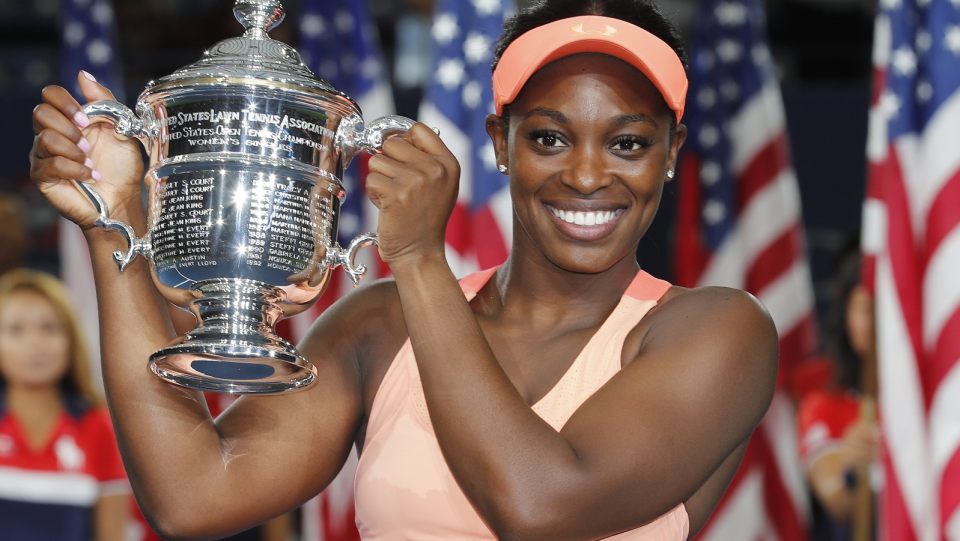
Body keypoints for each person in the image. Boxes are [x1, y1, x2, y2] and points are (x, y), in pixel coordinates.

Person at [27, 0, 779, 539]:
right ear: (500, 141)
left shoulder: (718, 329)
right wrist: (113, 224)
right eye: (548, 138)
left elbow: (541, 506)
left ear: (673, 153)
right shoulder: (379, 323)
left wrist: (419, 255)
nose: (586, 176)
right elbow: (194, 496)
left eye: (628, 143)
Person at [0, 269, 128, 541]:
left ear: (71, 339)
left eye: (49, 327)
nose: (35, 343)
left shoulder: (100, 428)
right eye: (15, 330)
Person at [798, 238, 879, 540]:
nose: (880, 321)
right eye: (866, 309)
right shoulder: (823, 403)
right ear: (845, 313)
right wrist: (852, 461)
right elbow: (835, 499)